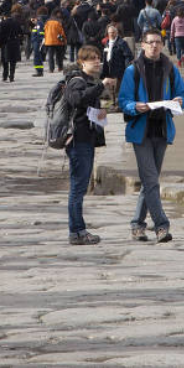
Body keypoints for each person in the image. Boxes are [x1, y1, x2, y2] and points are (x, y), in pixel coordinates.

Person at [118, 30, 184, 244]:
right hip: (141, 131)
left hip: (162, 130)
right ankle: (161, 226)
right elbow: (123, 100)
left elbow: (183, 93)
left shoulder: (170, 68)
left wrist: (179, 100)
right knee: (150, 180)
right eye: (150, 43)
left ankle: (137, 225)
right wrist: (134, 107)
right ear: (142, 45)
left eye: (158, 42)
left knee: (151, 182)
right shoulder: (133, 71)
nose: (155, 46)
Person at [63, 46, 116, 245]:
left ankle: (77, 230)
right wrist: (100, 85)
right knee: (77, 188)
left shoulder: (89, 82)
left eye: (98, 58)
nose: (97, 61)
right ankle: (77, 231)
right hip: (78, 141)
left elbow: (88, 106)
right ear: (82, 62)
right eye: (92, 59)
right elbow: (77, 100)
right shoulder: (76, 81)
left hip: (87, 139)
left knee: (80, 187)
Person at [101, 24, 134, 110]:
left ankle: (119, 105)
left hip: (119, 69)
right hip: (108, 69)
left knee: (118, 89)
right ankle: (111, 105)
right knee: (109, 88)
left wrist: (127, 67)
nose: (111, 34)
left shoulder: (122, 43)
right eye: (109, 33)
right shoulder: (107, 42)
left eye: (113, 32)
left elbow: (128, 55)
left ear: (116, 33)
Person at [0, 8, 24, 83]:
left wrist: (0, 44)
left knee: (5, 61)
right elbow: (21, 33)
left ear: (4, 16)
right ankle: (12, 76)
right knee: (13, 61)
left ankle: (4, 76)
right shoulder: (16, 22)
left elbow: (0, 35)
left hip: (5, 43)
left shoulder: (2, 23)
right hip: (14, 43)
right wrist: (20, 41)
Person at [30, 7, 47, 77]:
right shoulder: (37, 24)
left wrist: (40, 42)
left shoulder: (39, 24)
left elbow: (41, 34)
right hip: (36, 42)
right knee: (37, 57)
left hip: (37, 43)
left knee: (37, 57)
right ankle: (39, 71)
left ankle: (39, 72)